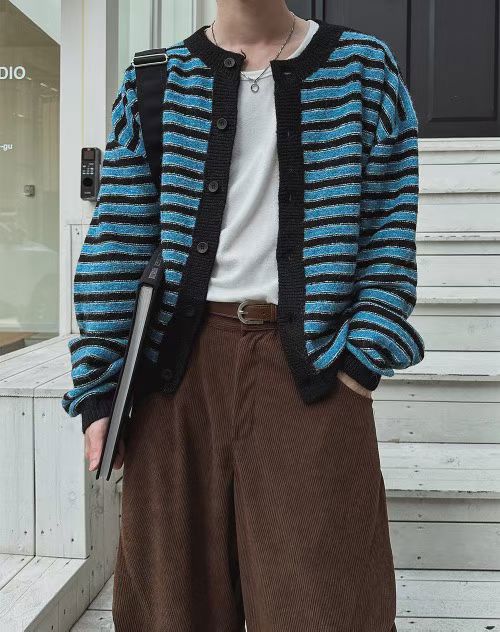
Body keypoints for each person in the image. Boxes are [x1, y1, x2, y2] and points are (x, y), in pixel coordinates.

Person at [62, 1, 424, 630]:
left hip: (313, 371)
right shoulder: (156, 80)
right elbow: (118, 241)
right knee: (173, 608)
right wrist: (99, 387)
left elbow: (389, 231)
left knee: (323, 609)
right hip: (175, 378)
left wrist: (359, 361)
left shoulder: (364, 70)